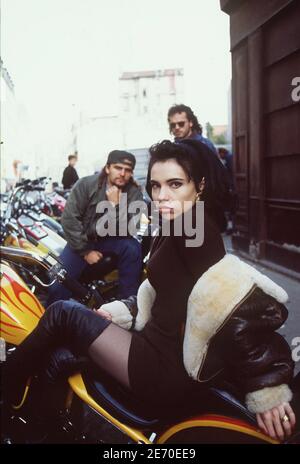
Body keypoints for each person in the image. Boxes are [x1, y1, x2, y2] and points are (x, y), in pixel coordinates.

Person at [5, 140, 298, 442]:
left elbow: (234, 299)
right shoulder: (178, 224)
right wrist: (123, 310)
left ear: (199, 186)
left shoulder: (190, 226)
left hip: (161, 368)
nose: (162, 196)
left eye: (175, 184)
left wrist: (265, 386)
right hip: (158, 346)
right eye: (156, 187)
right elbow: (162, 289)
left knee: (62, 313)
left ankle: (5, 386)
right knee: (65, 339)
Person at [47, 149, 144, 304]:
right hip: (84, 239)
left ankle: (127, 304)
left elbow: (130, 228)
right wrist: (85, 251)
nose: (122, 173)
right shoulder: (86, 185)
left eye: (127, 170)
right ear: (107, 168)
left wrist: (115, 205)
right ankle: (57, 318)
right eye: (118, 168)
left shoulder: (134, 193)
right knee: (57, 285)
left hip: (113, 239)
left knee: (133, 248)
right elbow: (69, 219)